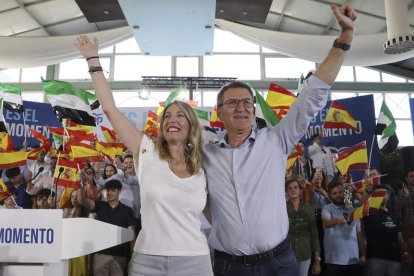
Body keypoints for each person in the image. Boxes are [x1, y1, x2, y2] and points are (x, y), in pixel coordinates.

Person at [202, 3, 357, 276]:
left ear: (253, 108)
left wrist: (344, 39)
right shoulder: (206, 153)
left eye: (247, 102)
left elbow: (312, 96)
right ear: (218, 111)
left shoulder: (275, 141)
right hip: (229, 265)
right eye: (233, 103)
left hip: (280, 261)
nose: (241, 107)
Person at [75, 37, 212, 276]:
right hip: (148, 261)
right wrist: (92, 59)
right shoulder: (146, 151)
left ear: (191, 126)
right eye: (167, 116)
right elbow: (110, 109)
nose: (172, 120)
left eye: (180, 116)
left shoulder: (205, 163)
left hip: (195, 261)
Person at [362, 184, 409, 276]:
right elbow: (352, 206)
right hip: (375, 258)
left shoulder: (394, 216)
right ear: (372, 196)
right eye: (378, 193)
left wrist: (405, 252)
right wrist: (367, 192)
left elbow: (400, 238)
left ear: (388, 195)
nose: (381, 196)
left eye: (384, 193)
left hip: (395, 259)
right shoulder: (367, 213)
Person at [322, 180, 365, 276]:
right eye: (334, 193)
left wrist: (363, 255)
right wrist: (337, 221)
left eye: (340, 192)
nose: (338, 195)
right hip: (334, 261)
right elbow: (326, 222)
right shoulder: (327, 208)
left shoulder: (351, 208)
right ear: (329, 195)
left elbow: (359, 233)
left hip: (353, 259)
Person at [285, 179, 321, 276]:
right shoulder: (282, 209)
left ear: (300, 190)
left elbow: (314, 235)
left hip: (304, 254)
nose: (293, 190)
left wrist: (317, 261)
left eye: (295, 187)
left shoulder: (308, 209)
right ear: (286, 192)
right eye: (290, 188)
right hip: (286, 255)